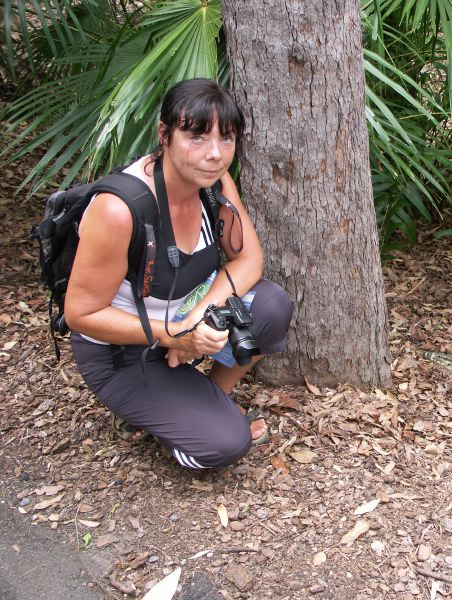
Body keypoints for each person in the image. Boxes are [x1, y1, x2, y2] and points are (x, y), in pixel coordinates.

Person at [65, 78, 293, 469]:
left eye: (226, 139)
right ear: (164, 134)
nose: (214, 154)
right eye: (196, 137)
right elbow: (81, 314)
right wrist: (173, 334)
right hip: (122, 353)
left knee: (271, 305)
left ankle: (209, 397)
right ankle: (171, 416)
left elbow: (248, 260)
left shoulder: (214, 184)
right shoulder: (119, 210)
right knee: (225, 445)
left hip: (183, 322)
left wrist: (196, 319)